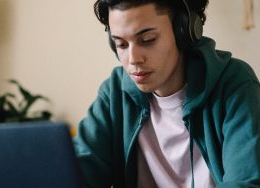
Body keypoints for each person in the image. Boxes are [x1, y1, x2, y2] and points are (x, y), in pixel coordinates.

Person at [73, 0, 260, 187]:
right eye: (121, 44)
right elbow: (78, 171)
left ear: (183, 32)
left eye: (147, 40)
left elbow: (245, 181)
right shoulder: (114, 92)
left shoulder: (234, 84)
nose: (133, 59)